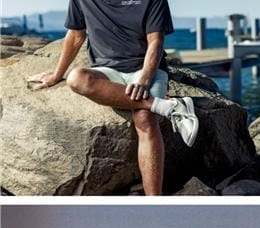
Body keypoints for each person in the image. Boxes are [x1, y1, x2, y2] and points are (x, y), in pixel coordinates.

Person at [27, 0, 199, 196]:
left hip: (146, 69)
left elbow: (156, 41)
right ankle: (169, 108)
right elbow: (76, 35)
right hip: (106, 70)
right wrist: (57, 75)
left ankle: (154, 202)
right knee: (76, 78)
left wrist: (144, 79)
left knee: (144, 119)